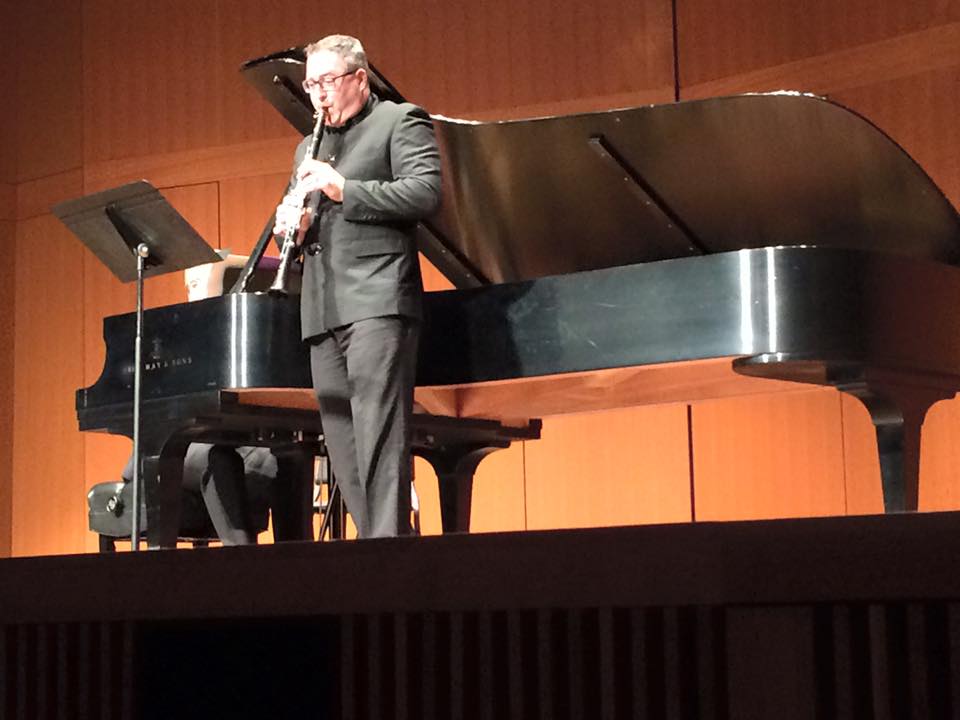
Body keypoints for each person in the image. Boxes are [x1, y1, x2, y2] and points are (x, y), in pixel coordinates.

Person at [273, 34, 441, 538]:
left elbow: (425, 192)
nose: (318, 94)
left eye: (327, 81)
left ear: (360, 78)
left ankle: (386, 557)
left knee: (380, 441)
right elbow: (308, 223)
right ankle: (380, 556)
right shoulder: (308, 146)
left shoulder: (399, 120)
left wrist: (344, 189)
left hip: (376, 300)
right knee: (344, 451)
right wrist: (294, 229)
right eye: (311, 84)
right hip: (322, 310)